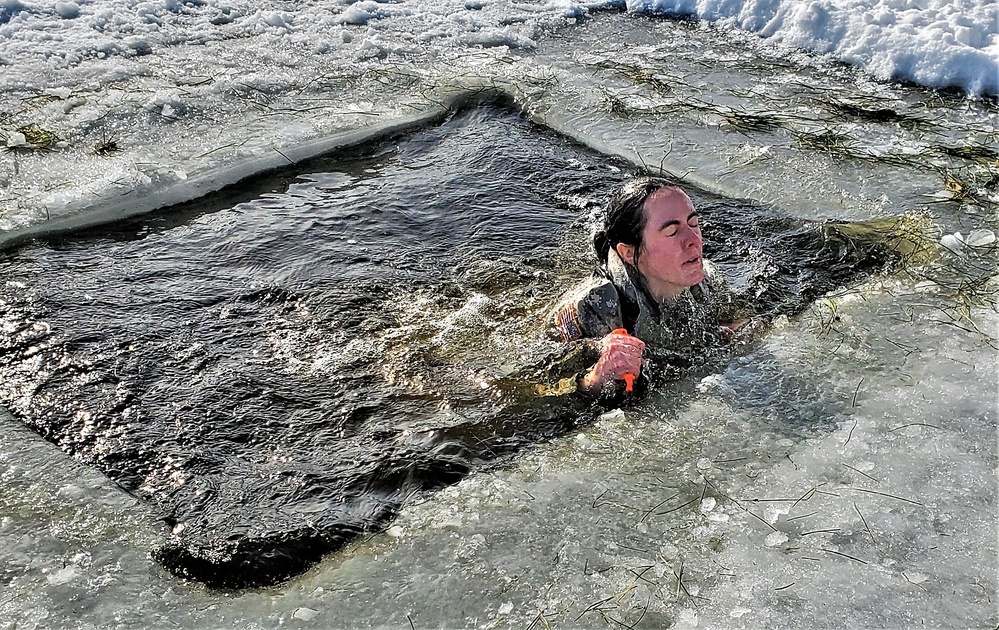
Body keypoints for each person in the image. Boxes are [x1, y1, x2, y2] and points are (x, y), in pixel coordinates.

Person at [548, 176, 756, 398]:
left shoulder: (707, 279)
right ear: (629, 253)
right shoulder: (590, 309)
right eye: (673, 232)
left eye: (693, 224)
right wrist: (594, 381)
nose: (693, 240)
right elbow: (538, 390)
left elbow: (739, 321)